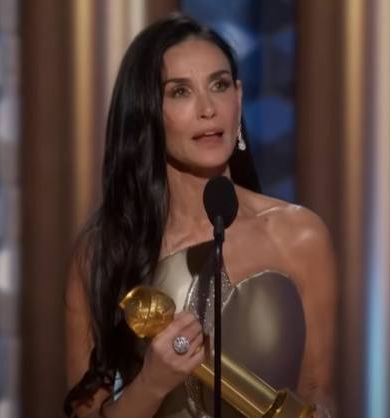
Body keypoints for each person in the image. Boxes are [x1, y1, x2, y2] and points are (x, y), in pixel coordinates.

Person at [64, 14, 336, 418]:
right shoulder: (103, 253)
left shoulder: (300, 235)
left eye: (219, 85)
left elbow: (318, 394)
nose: (208, 109)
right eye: (180, 92)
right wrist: (151, 384)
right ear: (147, 112)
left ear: (238, 99)